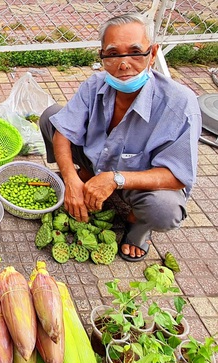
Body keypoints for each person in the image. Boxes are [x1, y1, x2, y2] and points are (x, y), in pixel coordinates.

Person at [40, 12, 201, 262]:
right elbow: (64, 130)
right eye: (113, 54)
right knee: (51, 117)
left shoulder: (180, 104)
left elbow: (178, 176)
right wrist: (70, 179)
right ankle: (86, 175)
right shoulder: (95, 85)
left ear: (153, 53)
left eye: (136, 53)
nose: (124, 64)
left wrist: (115, 179)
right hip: (99, 160)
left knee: (164, 210)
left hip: (138, 180)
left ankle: (137, 224)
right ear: (102, 56)